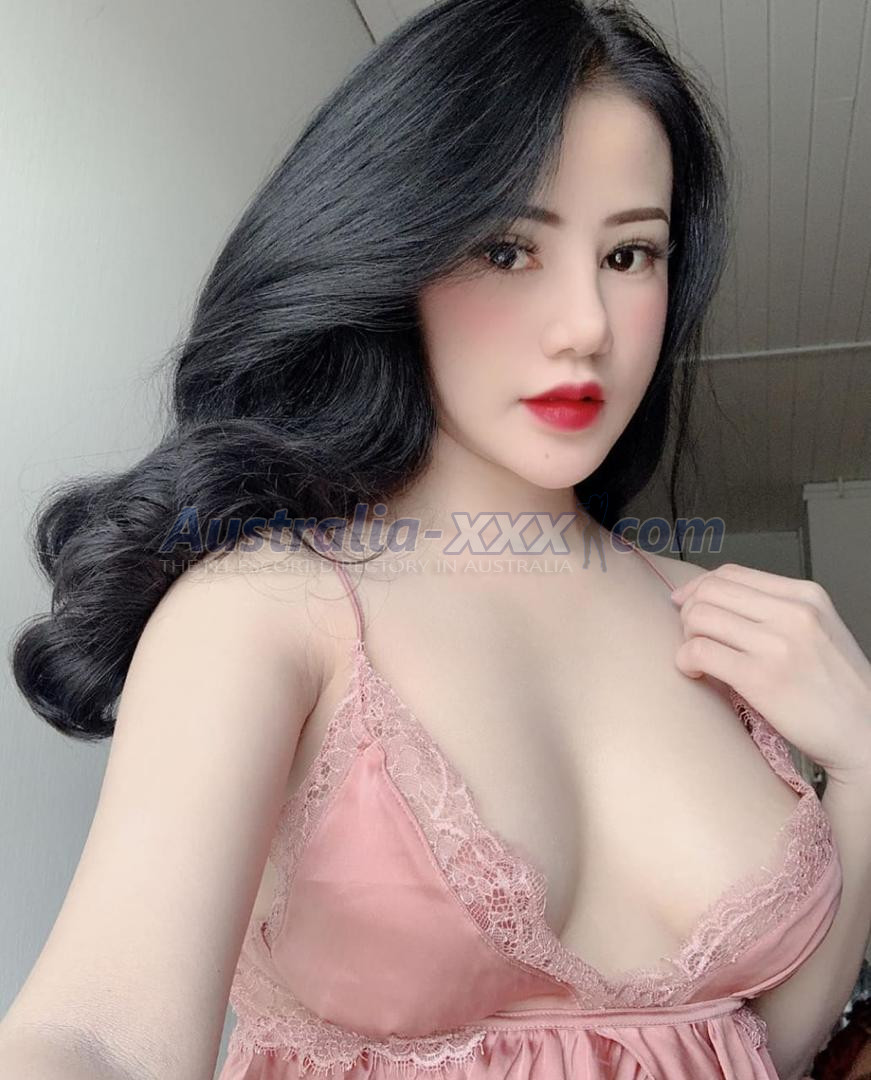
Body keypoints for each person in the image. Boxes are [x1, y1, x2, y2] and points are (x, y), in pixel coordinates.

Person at [0, 0, 846, 1077]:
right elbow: (97, 1036)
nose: (587, 324)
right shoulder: (272, 610)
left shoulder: (722, 624)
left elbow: (754, 1044)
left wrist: (864, 760)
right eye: (507, 249)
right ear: (394, 253)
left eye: (629, 254)